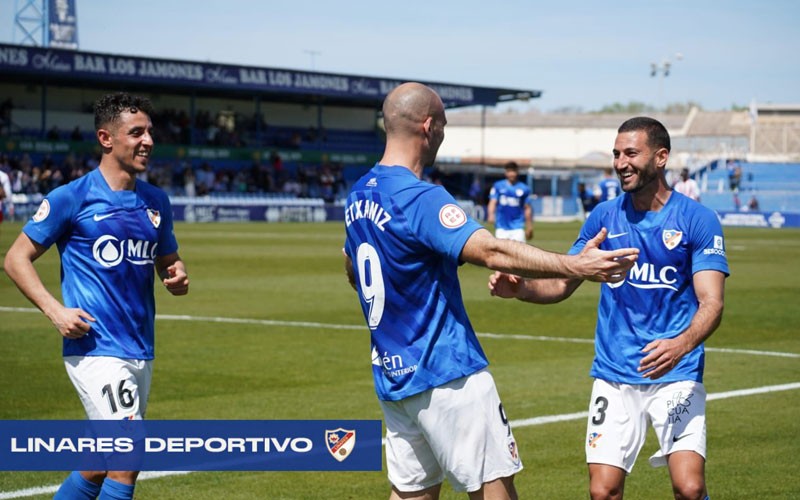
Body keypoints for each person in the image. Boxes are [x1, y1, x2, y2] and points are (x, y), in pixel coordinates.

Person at [343, 82, 639, 500]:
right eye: (443, 125)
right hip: (447, 374)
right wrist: (575, 265)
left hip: (394, 377)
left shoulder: (359, 193)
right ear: (428, 127)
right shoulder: (419, 197)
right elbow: (492, 250)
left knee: (412, 495)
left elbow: (352, 267)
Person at [489, 117, 729, 500]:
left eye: (631, 153)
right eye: (616, 154)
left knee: (689, 487)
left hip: (676, 372)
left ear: (661, 157)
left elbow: (712, 302)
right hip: (614, 374)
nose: (620, 163)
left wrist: (680, 345)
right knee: (603, 491)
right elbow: (563, 282)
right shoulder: (604, 217)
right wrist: (522, 289)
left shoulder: (697, 219)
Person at [3, 92, 190, 500]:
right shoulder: (72, 197)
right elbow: (16, 258)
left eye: (149, 132)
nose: (148, 141)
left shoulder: (156, 201)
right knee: (127, 455)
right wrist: (55, 311)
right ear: (106, 138)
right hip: (95, 348)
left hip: (140, 347)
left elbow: (167, 260)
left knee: (98, 462)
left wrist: (175, 273)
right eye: (136, 133)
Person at [487, 161, 534, 242]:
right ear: (506, 173)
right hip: (501, 228)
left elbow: (527, 208)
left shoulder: (524, 188)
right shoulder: (498, 186)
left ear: (517, 172)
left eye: (513, 171)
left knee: (519, 250)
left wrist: (529, 226)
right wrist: (491, 214)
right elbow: (492, 202)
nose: (511, 174)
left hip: (517, 228)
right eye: (509, 171)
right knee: (501, 250)